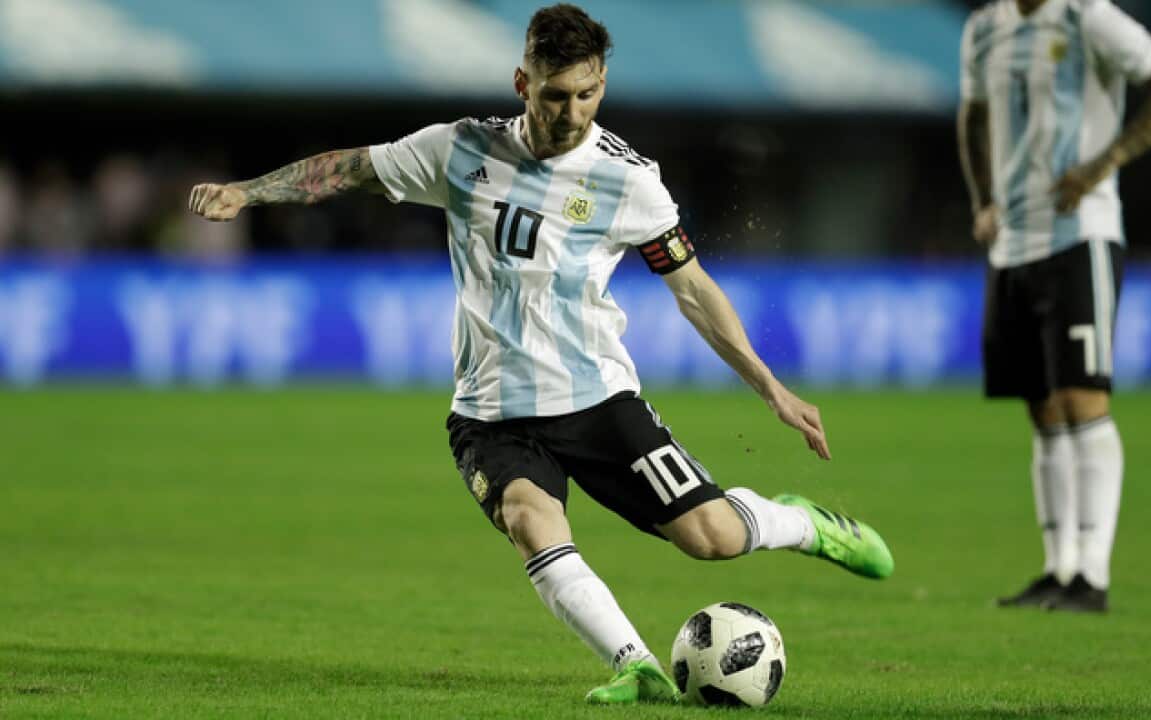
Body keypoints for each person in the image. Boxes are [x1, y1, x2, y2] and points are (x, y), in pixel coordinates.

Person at [189, 3, 893, 704]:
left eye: (587, 95)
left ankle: (803, 523)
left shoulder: (629, 180)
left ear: (602, 86)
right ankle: (635, 666)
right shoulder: (461, 150)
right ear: (522, 83)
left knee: (708, 537)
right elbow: (350, 169)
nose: (571, 113)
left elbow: (694, 291)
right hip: (490, 413)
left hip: (597, 402)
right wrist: (246, 194)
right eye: (556, 96)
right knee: (530, 520)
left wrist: (771, 387)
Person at [957, 0, 1151, 612]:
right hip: (1013, 242)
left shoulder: (1089, 17)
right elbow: (973, 116)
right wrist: (983, 199)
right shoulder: (985, 29)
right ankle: (1057, 567)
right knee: (1043, 411)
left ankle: (1091, 575)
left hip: (1079, 234)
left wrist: (1102, 166)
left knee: (1083, 401)